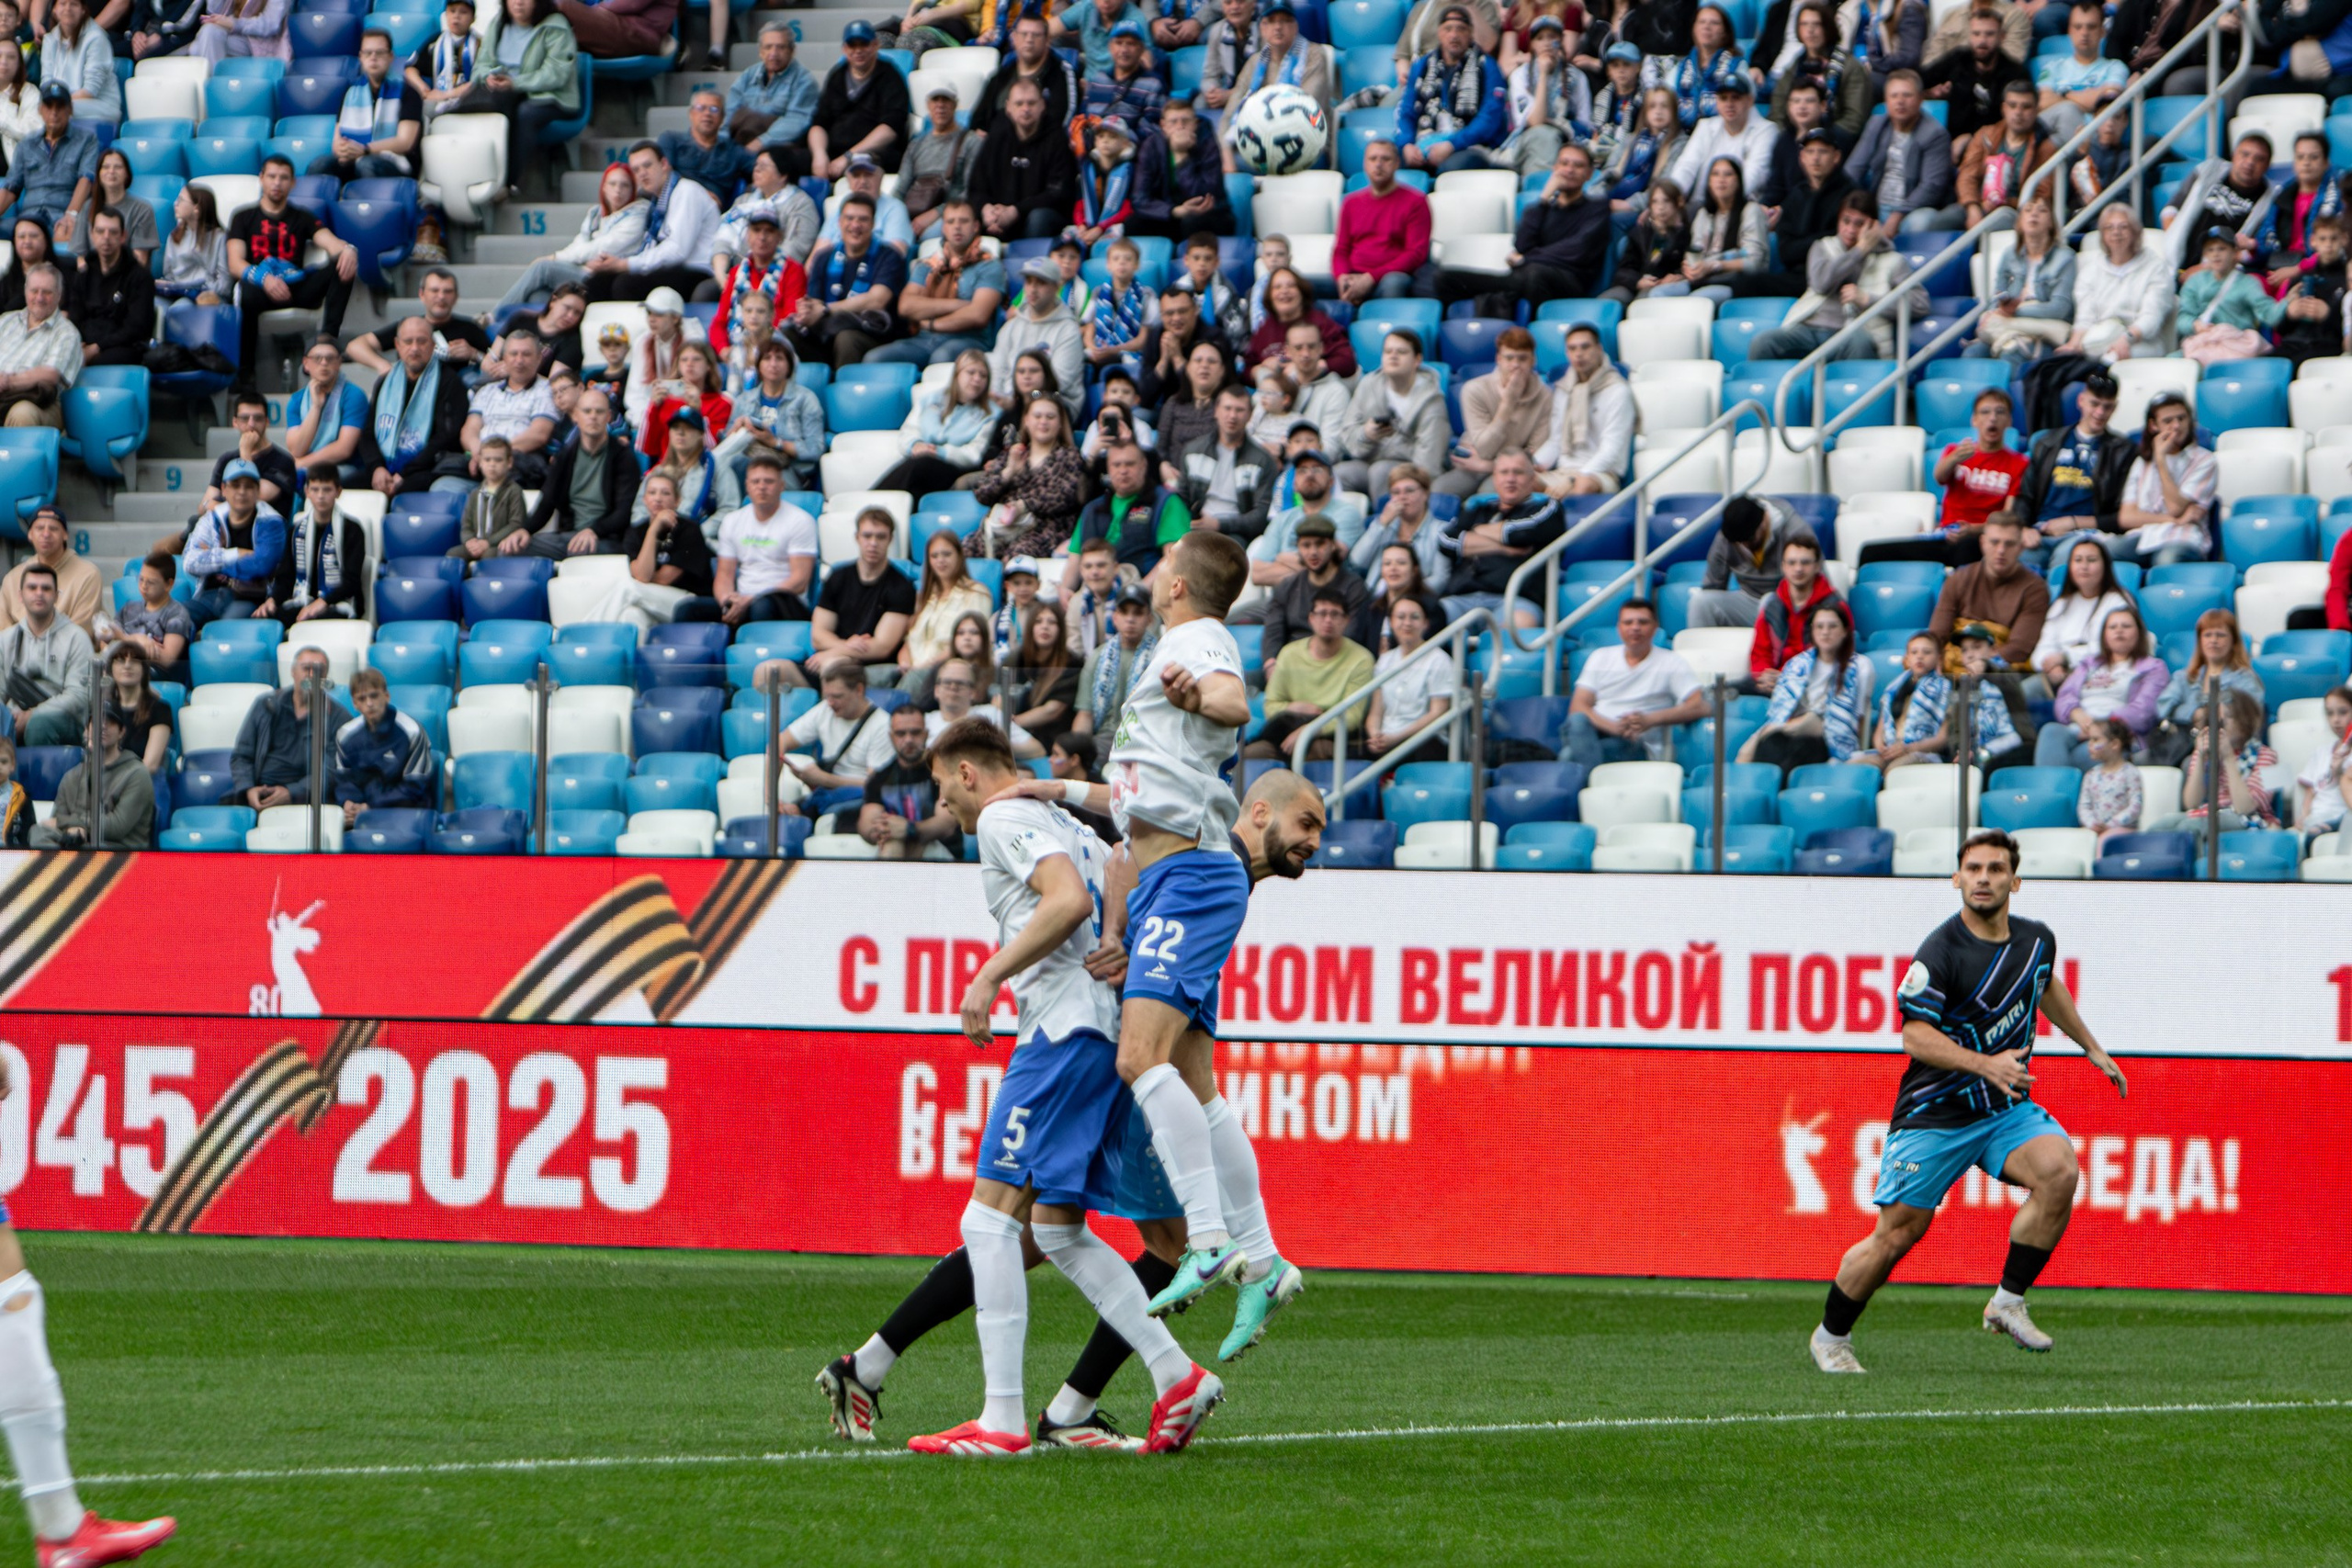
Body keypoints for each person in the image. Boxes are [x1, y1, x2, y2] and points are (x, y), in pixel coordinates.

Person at [893, 715, 1224, 1460]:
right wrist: (1117, 937)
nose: (942, 800)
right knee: (1056, 1228)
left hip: (1062, 1033)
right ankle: (1175, 1374)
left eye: (942, 783)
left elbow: (1066, 898)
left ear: (968, 772)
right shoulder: (1066, 820)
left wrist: (987, 975)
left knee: (989, 1222)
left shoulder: (1003, 815)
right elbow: (1123, 863)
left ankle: (1003, 1419)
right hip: (1103, 1031)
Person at [1811, 829, 2126, 1375]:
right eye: (1974, 869)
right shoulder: (1940, 951)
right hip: (1936, 1113)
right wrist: (1986, 1065)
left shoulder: (2036, 940)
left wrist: (2090, 1045)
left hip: (2002, 1111)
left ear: (2015, 882)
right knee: (1898, 1234)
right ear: (1956, 878)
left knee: (2059, 1171)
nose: (1984, 879)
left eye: (1996, 869)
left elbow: (2044, 984)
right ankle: (1831, 1336)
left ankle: (2008, 1301)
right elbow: (1915, 1037)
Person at [224, 156, 357, 388]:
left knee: (342, 263)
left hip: (296, 287)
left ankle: (327, 339)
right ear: (261, 179)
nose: (277, 183)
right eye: (272, 176)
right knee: (246, 291)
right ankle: (246, 371)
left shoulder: (303, 216)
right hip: (260, 289)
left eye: (284, 178)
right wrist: (264, 279)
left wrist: (349, 250)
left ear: (293, 183)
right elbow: (235, 264)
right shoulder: (243, 216)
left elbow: (331, 243)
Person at [1748, 193, 1924, 362]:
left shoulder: (1891, 260)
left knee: (1860, 343)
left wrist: (1868, 299)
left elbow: (1920, 304)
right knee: (1763, 342)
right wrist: (1860, 250)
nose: (1850, 230)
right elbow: (1821, 284)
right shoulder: (1822, 247)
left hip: (1848, 335)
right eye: (1846, 221)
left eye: (1859, 224)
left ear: (1873, 226)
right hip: (1808, 329)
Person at [1454, 140, 1609, 307]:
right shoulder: (1538, 209)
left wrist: (1525, 259)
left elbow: (1576, 249)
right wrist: (1544, 199)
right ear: (1555, 168)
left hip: (1568, 280)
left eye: (1578, 166)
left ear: (1589, 174)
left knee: (1533, 273)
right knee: (1447, 279)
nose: (1569, 170)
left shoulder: (1597, 208)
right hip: (1526, 275)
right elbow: (1521, 246)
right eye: (1564, 163)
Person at [673, 454, 817, 627]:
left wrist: (751, 599)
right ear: (747, 486)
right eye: (756, 482)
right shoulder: (732, 521)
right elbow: (724, 575)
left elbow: (799, 581)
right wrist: (728, 602)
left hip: (784, 602)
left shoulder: (800, 520)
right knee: (687, 609)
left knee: (761, 607)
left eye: (769, 481)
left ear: (782, 486)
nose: (762, 487)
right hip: (743, 600)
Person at [1564, 597, 1708, 766]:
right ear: (1619, 627)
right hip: (1597, 731)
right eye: (1628, 622)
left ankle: (1587, 779)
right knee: (1578, 721)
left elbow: (1700, 705)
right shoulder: (1600, 656)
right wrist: (1614, 727)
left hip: (1637, 743)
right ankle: (1592, 777)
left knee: (1568, 756)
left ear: (1655, 627)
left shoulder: (1671, 661)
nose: (1635, 627)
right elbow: (1578, 706)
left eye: (1643, 622)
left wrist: (1650, 720)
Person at [2017, 372, 2132, 580]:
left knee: (2065, 564)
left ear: (2115, 408)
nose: (2100, 412)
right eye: (2094, 404)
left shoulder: (2122, 451)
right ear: (2081, 401)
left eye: (2107, 407)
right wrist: (2024, 528)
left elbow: (2120, 517)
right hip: (2040, 530)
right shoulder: (2047, 442)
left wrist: (2073, 522)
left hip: (2085, 535)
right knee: (2017, 565)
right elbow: (2025, 495)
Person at [1739, 598, 1872, 776]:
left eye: (1832, 626)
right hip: (1792, 728)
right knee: (1769, 745)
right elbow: (1781, 711)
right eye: (1819, 627)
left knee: (1800, 748)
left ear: (1844, 631)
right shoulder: (1796, 665)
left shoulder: (1860, 666)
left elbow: (1858, 715)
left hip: (1827, 734)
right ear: (1812, 631)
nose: (1825, 632)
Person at [492, 164, 649, 312]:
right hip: (584, 268)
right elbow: (580, 242)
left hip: (602, 278)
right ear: (604, 187)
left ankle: (492, 317)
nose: (618, 190)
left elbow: (601, 248)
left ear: (632, 189)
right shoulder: (596, 213)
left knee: (542, 268)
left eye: (624, 185)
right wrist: (574, 259)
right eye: (612, 184)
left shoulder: (638, 214)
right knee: (538, 296)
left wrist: (556, 257)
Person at [1244, 586, 1375, 760]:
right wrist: (1292, 707)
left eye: (1335, 614)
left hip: (1330, 737)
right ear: (1311, 618)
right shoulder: (1289, 654)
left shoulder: (1361, 659)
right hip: (1286, 732)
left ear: (1346, 620)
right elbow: (1270, 705)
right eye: (1322, 613)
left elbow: (1352, 717)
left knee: (1314, 751)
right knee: (1249, 755)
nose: (1328, 620)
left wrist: (1308, 731)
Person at [583, 141, 722, 305]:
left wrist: (625, 264)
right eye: (636, 170)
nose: (642, 174)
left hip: (696, 271)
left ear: (664, 164)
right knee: (596, 283)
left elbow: (677, 251)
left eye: (647, 166)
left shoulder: (687, 191)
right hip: (669, 270)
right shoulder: (655, 202)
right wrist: (612, 263)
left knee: (626, 284)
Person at [583, 471, 717, 636]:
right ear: (645, 499)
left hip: (687, 603)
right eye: (652, 493)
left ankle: (587, 635)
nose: (658, 498)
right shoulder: (636, 532)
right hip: (649, 599)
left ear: (677, 500)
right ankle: (626, 653)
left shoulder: (689, 530)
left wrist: (644, 575)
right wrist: (653, 531)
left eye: (665, 493)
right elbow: (642, 576)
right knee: (631, 614)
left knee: (628, 588)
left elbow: (660, 579)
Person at [783, 193, 906, 370]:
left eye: (863, 219)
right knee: (788, 334)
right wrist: (807, 312)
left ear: (873, 224)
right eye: (849, 218)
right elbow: (815, 303)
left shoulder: (889, 256)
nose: (855, 225)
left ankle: (843, 387)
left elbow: (877, 300)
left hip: (871, 332)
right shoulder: (823, 257)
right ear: (839, 222)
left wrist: (826, 309)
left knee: (846, 338)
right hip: (828, 331)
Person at [797, 508, 916, 686]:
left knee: (833, 666)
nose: (873, 543)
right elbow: (818, 636)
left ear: (890, 539)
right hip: (828, 659)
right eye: (867, 536)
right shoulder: (838, 577)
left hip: (868, 667)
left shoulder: (901, 586)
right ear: (857, 537)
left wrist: (834, 652)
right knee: (769, 671)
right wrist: (845, 646)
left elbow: (882, 647)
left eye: (881, 537)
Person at [2036, 603, 2165, 767]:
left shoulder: (2153, 667)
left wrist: (2101, 727)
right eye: (2112, 627)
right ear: (2104, 634)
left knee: (2081, 755)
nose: (2119, 630)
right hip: (2080, 728)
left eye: (2126, 626)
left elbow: (2143, 713)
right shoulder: (2090, 664)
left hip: (2117, 736)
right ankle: (2051, 784)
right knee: (2051, 731)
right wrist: (2076, 714)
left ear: (2139, 633)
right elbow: (2065, 696)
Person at [2147, 687, 2279, 845]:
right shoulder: (2207, 752)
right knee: (2159, 828)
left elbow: (2246, 807)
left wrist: (2229, 758)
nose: (2222, 725)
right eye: (2216, 719)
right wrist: (2200, 756)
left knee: (2190, 828)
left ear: (2245, 720)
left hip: (2249, 820)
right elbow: (2191, 803)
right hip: (2208, 813)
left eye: (2229, 717)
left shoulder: (2268, 756)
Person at [1333, 328, 1448, 502]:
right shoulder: (1368, 385)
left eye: (1401, 352)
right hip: (1370, 462)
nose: (1393, 356)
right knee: (1339, 474)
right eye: (1388, 351)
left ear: (1417, 360)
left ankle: (1388, 517)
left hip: (1411, 472)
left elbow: (1428, 463)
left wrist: (1393, 447)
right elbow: (1347, 436)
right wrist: (1367, 435)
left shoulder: (1432, 400)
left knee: (1381, 471)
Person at [228, 646, 349, 809]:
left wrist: (291, 793)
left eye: (319, 671)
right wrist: (248, 789)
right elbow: (242, 756)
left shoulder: (338, 717)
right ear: (293, 672)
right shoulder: (266, 705)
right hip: (258, 794)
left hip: (307, 802)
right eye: (306, 669)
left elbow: (330, 773)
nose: (312, 676)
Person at [364, 316, 471, 500]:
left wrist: (405, 473)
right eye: (408, 342)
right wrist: (377, 468)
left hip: (426, 468)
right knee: (344, 487)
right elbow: (368, 433)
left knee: (406, 491)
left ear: (433, 345)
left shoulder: (449, 382)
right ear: (397, 345)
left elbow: (446, 438)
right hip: (384, 468)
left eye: (422, 342)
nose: (414, 348)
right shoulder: (385, 382)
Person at [1437, 330, 1553, 501]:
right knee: (1438, 491)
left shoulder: (1546, 396)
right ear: (1498, 359)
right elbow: (1485, 448)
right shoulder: (1474, 389)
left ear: (1533, 360)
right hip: (1472, 464)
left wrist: (1487, 466)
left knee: (1489, 495)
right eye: (1509, 358)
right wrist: (1507, 405)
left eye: (1522, 359)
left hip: (1511, 470)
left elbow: (1533, 457)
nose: (1515, 365)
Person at [1395, 5, 1510, 175]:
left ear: (1471, 33)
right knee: (1390, 160)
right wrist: (1407, 145)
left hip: (1470, 146)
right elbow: (1406, 111)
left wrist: (1452, 145)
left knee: (1451, 168)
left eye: (1461, 29)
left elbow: (1489, 118)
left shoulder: (1487, 66)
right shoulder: (1422, 66)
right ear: (1439, 33)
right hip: (1425, 141)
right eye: (1448, 29)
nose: (1454, 35)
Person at [971, 393, 1088, 561]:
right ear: (1026, 420)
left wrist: (1024, 505)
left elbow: (1065, 495)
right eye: (1037, 416)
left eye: (1050, 417)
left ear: (1060, 423)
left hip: (1045, 530)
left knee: (1016, 558)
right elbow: (981, 494)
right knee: (964, 551)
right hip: (1003, 528)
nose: (1043, 422)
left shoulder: (1070, 456)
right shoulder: (1013, 454)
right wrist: (1009, 471)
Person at [1220, 0, 1333, 172]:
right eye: (1271, 21)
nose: (1278, 27)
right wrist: (1226, 153)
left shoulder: (1314, 55)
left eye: (1285, 21)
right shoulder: (1255, 61)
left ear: (1295, 27)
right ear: (1262, 28)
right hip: (1260, 143)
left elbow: (1307, 107)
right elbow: (1231, 111)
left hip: (1305, 143)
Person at [794, 19, 911, 180]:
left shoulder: (890, 76)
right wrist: (819, 155)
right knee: (784, 159)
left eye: (864, 44)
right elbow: (819, 122)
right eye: (852, 45)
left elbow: (891, 128)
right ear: (844, 49)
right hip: (833, 151)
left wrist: (848, 156)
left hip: (870, 152)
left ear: (875, 45)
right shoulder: (837, 75)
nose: (858, 51)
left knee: (868, 163)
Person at [522, 386, 632, 557]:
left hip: (605, 539)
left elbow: (623, 512)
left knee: (587, 551)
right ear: (576, 416)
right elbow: (547, 502)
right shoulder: (565, 456)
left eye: (599, 411)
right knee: (516, 546)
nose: (593, 416)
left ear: (609, 417)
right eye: (587, 411)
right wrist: (524, 531)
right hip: (569, 536)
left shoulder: (623, 457)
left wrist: (594, 531)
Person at [2061, 200, 2173, 366]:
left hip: (2142, 341)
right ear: (2102, 234)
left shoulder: (2155, 267)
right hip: (2098, 339)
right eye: (2109, 228)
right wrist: (2074, 344)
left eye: (2123, 227)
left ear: (2135, 232)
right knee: (2071, 361)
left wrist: (2126, 339)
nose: (2116, 233)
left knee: (2107, 360)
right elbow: (2085, 316)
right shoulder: (2090, 270)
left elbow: (2152, 316)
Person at [1069, 440, 1192, 587]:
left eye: (1130, 464)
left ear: (1144, 466)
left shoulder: (1167, 502)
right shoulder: (1092, 509)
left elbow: (1174, 557)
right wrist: (1065, 589)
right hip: (1093, 592)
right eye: (1116, 465)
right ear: (1108, 468)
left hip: (1144, 590)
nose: (1123, 470)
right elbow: (1074, 561)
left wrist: (1140, 590)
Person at [1845, 70, 1956, 234]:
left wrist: (1898, 215)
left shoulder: (1935, 134)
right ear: (1886, 100)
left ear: (1920, 99)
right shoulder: (1877, 124)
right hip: (1876, 205)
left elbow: (1931, 186)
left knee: (1922, 222)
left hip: (1911, 211)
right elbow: (1854, 167)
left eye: (1907, 95)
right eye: (1894, 96)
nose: (1900, 101)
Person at [2115, 392, 2218, 569]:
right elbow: (2126, 517)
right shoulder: (2142, 462)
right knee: (2102, 552)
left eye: (2181, 418)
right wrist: (2173, 520)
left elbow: (2175, 508)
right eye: (2168, 421)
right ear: (2153, 426)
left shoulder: (2205, 460)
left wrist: (2161, 460)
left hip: (2183, 538)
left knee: (2165, 560)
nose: (2176, 426)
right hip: (2145, 536)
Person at [311, 28, 423, 184]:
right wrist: (343, 150)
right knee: (320, 165)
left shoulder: (408, 92)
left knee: (366, 164)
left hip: (394, 161)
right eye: (368, 53)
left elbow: (405, 142)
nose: (373, 58)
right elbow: (337, 140)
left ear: (390, 57)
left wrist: (366, 149)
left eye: (380, 53)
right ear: (361, 57)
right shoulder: (350, 93)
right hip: (354, 158)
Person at [182, 459, 286, 626]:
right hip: (210, 595)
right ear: (224, 489)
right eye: (235, 485)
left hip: (249, 597)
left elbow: (262, 565)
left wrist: (214, 563)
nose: (242, 492)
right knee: (177, 618)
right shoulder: (211, 519)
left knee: (225, 628)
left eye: (249, 486)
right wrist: (235, 554)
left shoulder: (271, 522)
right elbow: (189, 562)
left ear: (257, 490)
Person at [28, 701, 144, 848]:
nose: (103, 726)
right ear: (87, 730)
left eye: (110, 722)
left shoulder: (137, 773)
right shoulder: (71, 776)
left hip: (116, 849)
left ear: (122, 732)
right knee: (37, 832)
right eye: (96, 721)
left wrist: (76, 824)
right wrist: (71, 827)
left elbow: (117, 827)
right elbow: (55, 821)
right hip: (75, 846)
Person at [2152, 607, 2264, 759]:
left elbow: (2247, 718)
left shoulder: (2246, 679)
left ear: (2233, 641)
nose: (2213, 640)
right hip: (2182, 746)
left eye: (2221, 635)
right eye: (2208, 635)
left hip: (2231, 750)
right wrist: (2193, 713)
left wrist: (2206, 713)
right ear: (2200, 641)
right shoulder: (2184, 677)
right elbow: (2162, 707)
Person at [263, 468, 369, 626]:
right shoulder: (295, 530)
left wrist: (322, 602)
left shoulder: (353, 530)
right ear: (307, 492)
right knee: (266, 619)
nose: (320, 496)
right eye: (315, 489)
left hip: (338, 603)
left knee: (313, 620)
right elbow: (285, 577)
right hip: (302, 600)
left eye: (327, 490)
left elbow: (351, 581)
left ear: (338, 492)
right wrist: (272, 600)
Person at [854, 705, 962, 860]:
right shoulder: (879, 778)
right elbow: (866, 824)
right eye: (901, 733)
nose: (909, 739)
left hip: (942, 853)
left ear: (926, 734)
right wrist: (881, 830)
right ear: (891, 737)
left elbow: (946, 825)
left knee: (901, 843)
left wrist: (909, 829)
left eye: (915, 733)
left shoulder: (943, 770)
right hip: (894, 846)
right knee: (892, 842)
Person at [333, 666, 434, 827]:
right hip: (360, 814)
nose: (369, 703)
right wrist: (349, 803)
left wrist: (371, 807)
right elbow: (344, 781)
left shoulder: (412, 731)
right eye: (362, 699)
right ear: (355, 703)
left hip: (404, 813)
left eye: (374, 696)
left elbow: (415, 787)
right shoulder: (345, 735)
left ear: (386, 696)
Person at [0, 562, 88, 744]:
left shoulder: (77, 637)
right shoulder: (5, 639)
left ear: (56, 596)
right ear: (20, 596)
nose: (39, 593)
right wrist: (10, 717)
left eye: (46, 588)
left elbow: (78, 696)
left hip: (63, 721)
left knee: (38, 724)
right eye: (32, 588)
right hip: (14, 716)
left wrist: (32, 715)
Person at [345, 267, 490, 378]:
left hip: (451, 396)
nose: (441, 297)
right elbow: (355, 346)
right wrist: (382, 365)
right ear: (422, 294)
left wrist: (474, 354)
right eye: (434, 291)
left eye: (447, 291)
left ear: (456, 297)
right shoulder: (409, 327)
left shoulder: (469, 328)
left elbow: (498, 364)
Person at [1919, 5, 2030, 148]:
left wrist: (1970, 139)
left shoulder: (2015, 73)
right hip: (1950, 143)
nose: (1982, 41)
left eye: (1989, 34)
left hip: (1994, 145)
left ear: (2002, 37)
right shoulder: (1958, 59)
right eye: (1976, 34)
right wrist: (1928, 93)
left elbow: (2017, 118)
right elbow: (1919, 80)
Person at [1656, 156, 1763, 302]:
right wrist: (1690, 267)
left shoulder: (1751, 210)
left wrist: (1714, 266)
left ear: (1738, 181)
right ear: (1709, 182)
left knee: (1697, 300)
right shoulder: (1704, 214)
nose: (1721, 180)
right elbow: (1696, 251)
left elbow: (1755, 263)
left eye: (1728, 174)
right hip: (1703, 279)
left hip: (1735, 282)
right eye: (1715, 174)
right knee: (1658, 294)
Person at [1747, 532, 1842, 692]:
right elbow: (1759, 654)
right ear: (1783, 566)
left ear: (1817, 566)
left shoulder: (1836, 607)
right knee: (1726, 689)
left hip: (1813, 687)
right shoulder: (1772, 605)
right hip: (1772, 684)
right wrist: (1765, 675)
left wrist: (1788, 678)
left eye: (1805, 562)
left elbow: (1838, 659)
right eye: (1792, 563)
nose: (1798, 569)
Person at [1982, 196, 2073, 363]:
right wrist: (1996, 310)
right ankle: (2007, 334)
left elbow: (2060, 309)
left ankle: (2006, 333)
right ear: (2019, 222)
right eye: (2028, 210)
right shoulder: (2009, 255)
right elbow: (1997, 295)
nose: (2034, 214)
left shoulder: (2065, 257)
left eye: (2042, 210)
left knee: (2011, 352)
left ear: (2051, 222)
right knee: (1973, 351)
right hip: (2009, 321)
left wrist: (2015, 312)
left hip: (2044, 329)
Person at [2176, 227, 2285, 367]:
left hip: (2235, 347)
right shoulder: (2194, 282)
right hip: (2202, 343)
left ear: (2235, 252)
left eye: (2222, 249)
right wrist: (2195, 325)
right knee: (2170, 364)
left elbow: (2270, 314)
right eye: (2210, 250)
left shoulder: (2248, 283)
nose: (2216, 254)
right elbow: (2183, 317)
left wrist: (2288, 304)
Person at [1128, 97, 1231, 241]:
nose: (1180, 126)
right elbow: (1140, 198)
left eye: (1186, 121)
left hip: (1208, 214)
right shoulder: (1151, 146)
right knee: (1133, 223)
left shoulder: (1208, 145)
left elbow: (1206, 195)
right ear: (1163, 125)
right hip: (1170, 212)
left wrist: (1181, 156)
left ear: (1195, 123)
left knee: (1192, 222)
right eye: (1173, 122)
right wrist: (1174, 211)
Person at [1664, 69, 1773, 201]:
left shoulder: (1766, 131)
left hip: (1742, 205)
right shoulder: (1705, 126)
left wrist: (1718, 203)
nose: (1729, 104)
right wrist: (1673, 197)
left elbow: (1753, 176)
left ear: (1749, 100)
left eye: (1736, 98)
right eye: (1723, 98)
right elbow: (1686, 166)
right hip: (1702, 204)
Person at [710, 153, 821, 277]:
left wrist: (758, 274)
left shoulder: (801, 204)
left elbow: (797, 247)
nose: (756, 170)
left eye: (763, 166)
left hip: (778, 276)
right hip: (736, 272)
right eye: (756, 165)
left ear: (782, 175)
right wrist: (721, 275)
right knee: (707, 288)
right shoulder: (743, 201)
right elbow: (723, 238)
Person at [282, 337, 369, 488]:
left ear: (339, 362)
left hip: (346, 467)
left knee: (300, 478)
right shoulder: (297, 400)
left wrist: (301, 464)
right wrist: (316, 407)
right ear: (306, 363)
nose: (324, 363)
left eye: (330, 358)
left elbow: (343, 449)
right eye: (317, 358)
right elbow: (297, 449)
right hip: (307, 467)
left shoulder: (354, 395)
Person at [724, 21, 820, 155]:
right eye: (768, 47)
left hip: (777, 148)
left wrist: (761, 142)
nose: (774, 53)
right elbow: (729, 113)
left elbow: (796, 121)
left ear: (792, 50)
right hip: (740, 141)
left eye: (781, 47)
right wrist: (721, 142)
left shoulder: (805, 81)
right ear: (760, 51)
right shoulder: (748, 75)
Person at [0, 256, 74, 430]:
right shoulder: (5, 321)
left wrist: (8, 382)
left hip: (41, 404)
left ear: (59, 296)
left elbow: (51, 374)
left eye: (47, 292)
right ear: (26, 291)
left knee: (22, 413)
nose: (39, 298)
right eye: (34, 291)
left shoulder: (66, 333)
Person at [975, 12, 1080, 131]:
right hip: (997, 140)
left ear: (1047, 40)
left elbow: (1063, 120)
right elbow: (978, 120)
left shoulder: (1061, 73)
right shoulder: (1002, 75)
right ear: (1014, 38)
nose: (1029, 40)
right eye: (1024, 34)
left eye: (1036, 35)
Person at [2034, 0, 2122, 141]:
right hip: (2055, 135)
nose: (2084, 33)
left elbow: (2107, 104)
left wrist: (2061, 95)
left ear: (2102, 31)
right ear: (2069, 31)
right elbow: (2042, 103)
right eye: (2078, 27)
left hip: (2095, 142)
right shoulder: (2052, 67)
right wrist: (2089, 98)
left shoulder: (2115, 67)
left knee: (2067, 111)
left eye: (2091, 27)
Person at [1646, 1, 1744, 128]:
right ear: (1694, 29)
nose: (1707, 27)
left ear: (1725, 33)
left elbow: (1744, 105)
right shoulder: (1681, 68)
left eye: (1714, 23)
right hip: (1683, 134)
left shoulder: (1737, 65)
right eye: (1702, 22)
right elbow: (1664, 102)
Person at [0, 505, 96, 633]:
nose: (46, 534)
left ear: (65, 535)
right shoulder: (12, 578)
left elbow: (81, 632)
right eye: (40, 528)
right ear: (30, 534)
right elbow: (3, 630)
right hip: (17, 644)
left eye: (53, 529)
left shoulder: (88, 574)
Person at [2275, 212, 2350, 371]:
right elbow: (2280, 328)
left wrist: (2328, 316)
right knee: (2267, 366)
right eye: (2323, 239)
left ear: (2344, 239)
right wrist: (2289, 313)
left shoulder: (2347, 279)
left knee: (2296, 367)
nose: (2328, 245)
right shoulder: (2300, 279)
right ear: (2313, 241)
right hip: (2293, 344)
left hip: (2329, 348)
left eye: (2334, 239)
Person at [107, 552, 193, 687]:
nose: (144, 586)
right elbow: (107, 640)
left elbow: (167, 659)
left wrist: (125, 639)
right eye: (141, 579)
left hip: (157, 674)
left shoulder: (177, 614)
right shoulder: (129, 608)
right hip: (124, 666)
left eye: (151, 582)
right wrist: (138, 640)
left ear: (169, 584)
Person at [660, 88, 754, 208]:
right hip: (675, 203)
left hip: (713, 211)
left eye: (714, 109)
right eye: (701, 108)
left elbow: (762, 166)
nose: (707, 114)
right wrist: (700, 194)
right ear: (691, 113)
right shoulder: (671, 140)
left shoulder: (733, 151)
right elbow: (662, 175)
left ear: (723, 118)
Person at [1602, 177, 1690, 304]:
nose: (1661, 207)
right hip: (1639, 283)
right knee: (1611, 299)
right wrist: (1637, 282)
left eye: (1666, 201)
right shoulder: (1641, 232)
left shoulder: (1686, 232)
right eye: (1655, 202)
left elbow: (1687, 264)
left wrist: (1678, 276)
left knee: (1644, 300)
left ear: (1678, 202)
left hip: (1668, 287)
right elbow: (1624, 269)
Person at [1002, 602, 1080, 735]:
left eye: (1052, 622)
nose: (1045, 627)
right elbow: (999, 695)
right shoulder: (1015, 658)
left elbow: (1053, 710)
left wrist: (1012, 724)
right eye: (1038, 622)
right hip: (1012, 731)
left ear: (1061, 629)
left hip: (1051, 735)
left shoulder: (1072, 663)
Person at [448, 434, 529, 561]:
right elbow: (466, 524)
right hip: (475, 544)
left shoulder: (514, 491)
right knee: (452, 555)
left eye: (498, 460)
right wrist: (469, 541)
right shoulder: (475, 493)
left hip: (500, 545)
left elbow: (516, 524)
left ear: (509, 462)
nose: (492, 464)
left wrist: (488, 542)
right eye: (487, 460)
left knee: (489, 556)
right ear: (480, 462)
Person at [38, 0, 116, 126]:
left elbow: (90, 91)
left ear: (83, 10)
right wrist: (52, 101)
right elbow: (46, 82)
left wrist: (57, 102)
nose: (68, 8)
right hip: (62, 101)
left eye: (74, 4)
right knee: (36, 109)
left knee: (56, 112)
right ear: (54, 10)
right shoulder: (49, 39)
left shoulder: (96, 37)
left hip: (98, 105)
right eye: (62, 3)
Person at [2294, 686, 2352, 844]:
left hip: (2343, 816)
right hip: (2318, 816)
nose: (2336, 720)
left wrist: (2340, 773)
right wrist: (2303, 816)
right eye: (2330, 713)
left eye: (2343, 712)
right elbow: (2310, 791)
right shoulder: (2321, 753)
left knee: (2315, 835)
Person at [155, 183, 229, 303]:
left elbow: (225, 284)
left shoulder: (219, 237)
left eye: (181, 200)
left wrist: (199, 289)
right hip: (176, 293)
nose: (175, 203)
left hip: (207, 296)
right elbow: (168, 274)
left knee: (181, 307)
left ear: (196, 208)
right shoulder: (174, 236)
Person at [89, 150, 157, 267]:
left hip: (127, 276)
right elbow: (80, 256)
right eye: (106, 167)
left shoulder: (143, 209)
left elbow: (140, 259)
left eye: (118, 167)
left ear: (127, 174)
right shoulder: (88, 207)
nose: (111, 171)